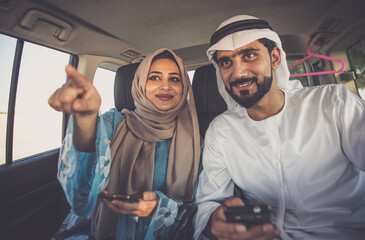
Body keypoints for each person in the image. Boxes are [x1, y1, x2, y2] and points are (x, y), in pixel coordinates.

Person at [193, 14, 365, 240]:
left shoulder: (334, 103)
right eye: (226, 62)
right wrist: (214, 221)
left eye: (250, 55)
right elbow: (208, 203)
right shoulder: (221, 130)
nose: (238, 73)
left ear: (274, 58)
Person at [48, 48, 202, 240]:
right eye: (154, 77)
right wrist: (86, 118)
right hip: (94, 231)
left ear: (184, 87)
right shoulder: (114, 122)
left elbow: (200, 212)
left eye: (174, 79)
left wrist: (159, 206)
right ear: (139, 84)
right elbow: (83, 180)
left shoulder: (197, 142)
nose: (165, 86)